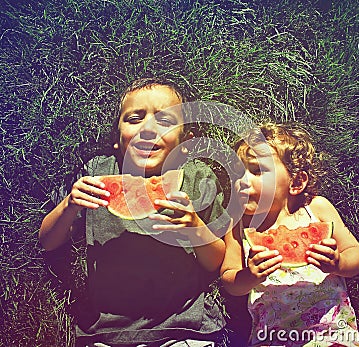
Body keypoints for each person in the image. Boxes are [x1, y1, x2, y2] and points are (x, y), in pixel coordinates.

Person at [39, 77, 233, 347]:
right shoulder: (98, 174)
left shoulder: (198, 178)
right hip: (107, 331)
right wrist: (69, 204)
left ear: (185, 144)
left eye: (165, 121)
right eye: (134, 118)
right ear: (117, 139)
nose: (148, 129)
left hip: (185, 328)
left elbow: (215, 262)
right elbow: (48, 242)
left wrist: (196, 228)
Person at [221, 122, 359, 347]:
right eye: (238, 173)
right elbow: (229, 280)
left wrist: (338, 264)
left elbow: (355, 256)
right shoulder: (238, 226)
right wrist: (250, 275)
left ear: (296, 182)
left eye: (257, 171)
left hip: (331, 332)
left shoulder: (318, 209)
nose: (242, 181)